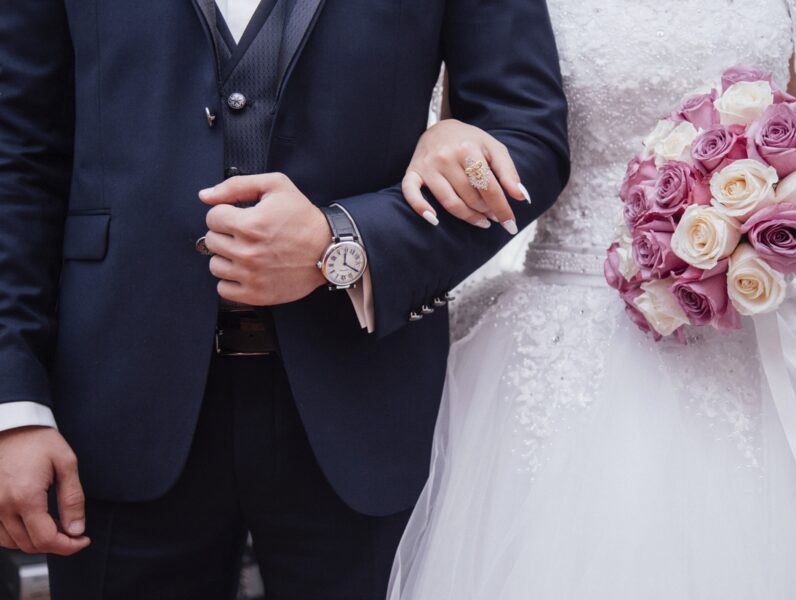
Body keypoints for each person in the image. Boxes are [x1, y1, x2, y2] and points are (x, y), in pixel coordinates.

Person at [0, 1, 568, 598]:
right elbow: (17, 153)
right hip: (116, 394)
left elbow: (526, 134)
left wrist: (345, 243)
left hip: (365, 398)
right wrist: (12, 403)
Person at [388, 0, 796, 598]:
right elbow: (477, 143)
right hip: (565, 337)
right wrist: (441, 135)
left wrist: (793, 224)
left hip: (752, 325)